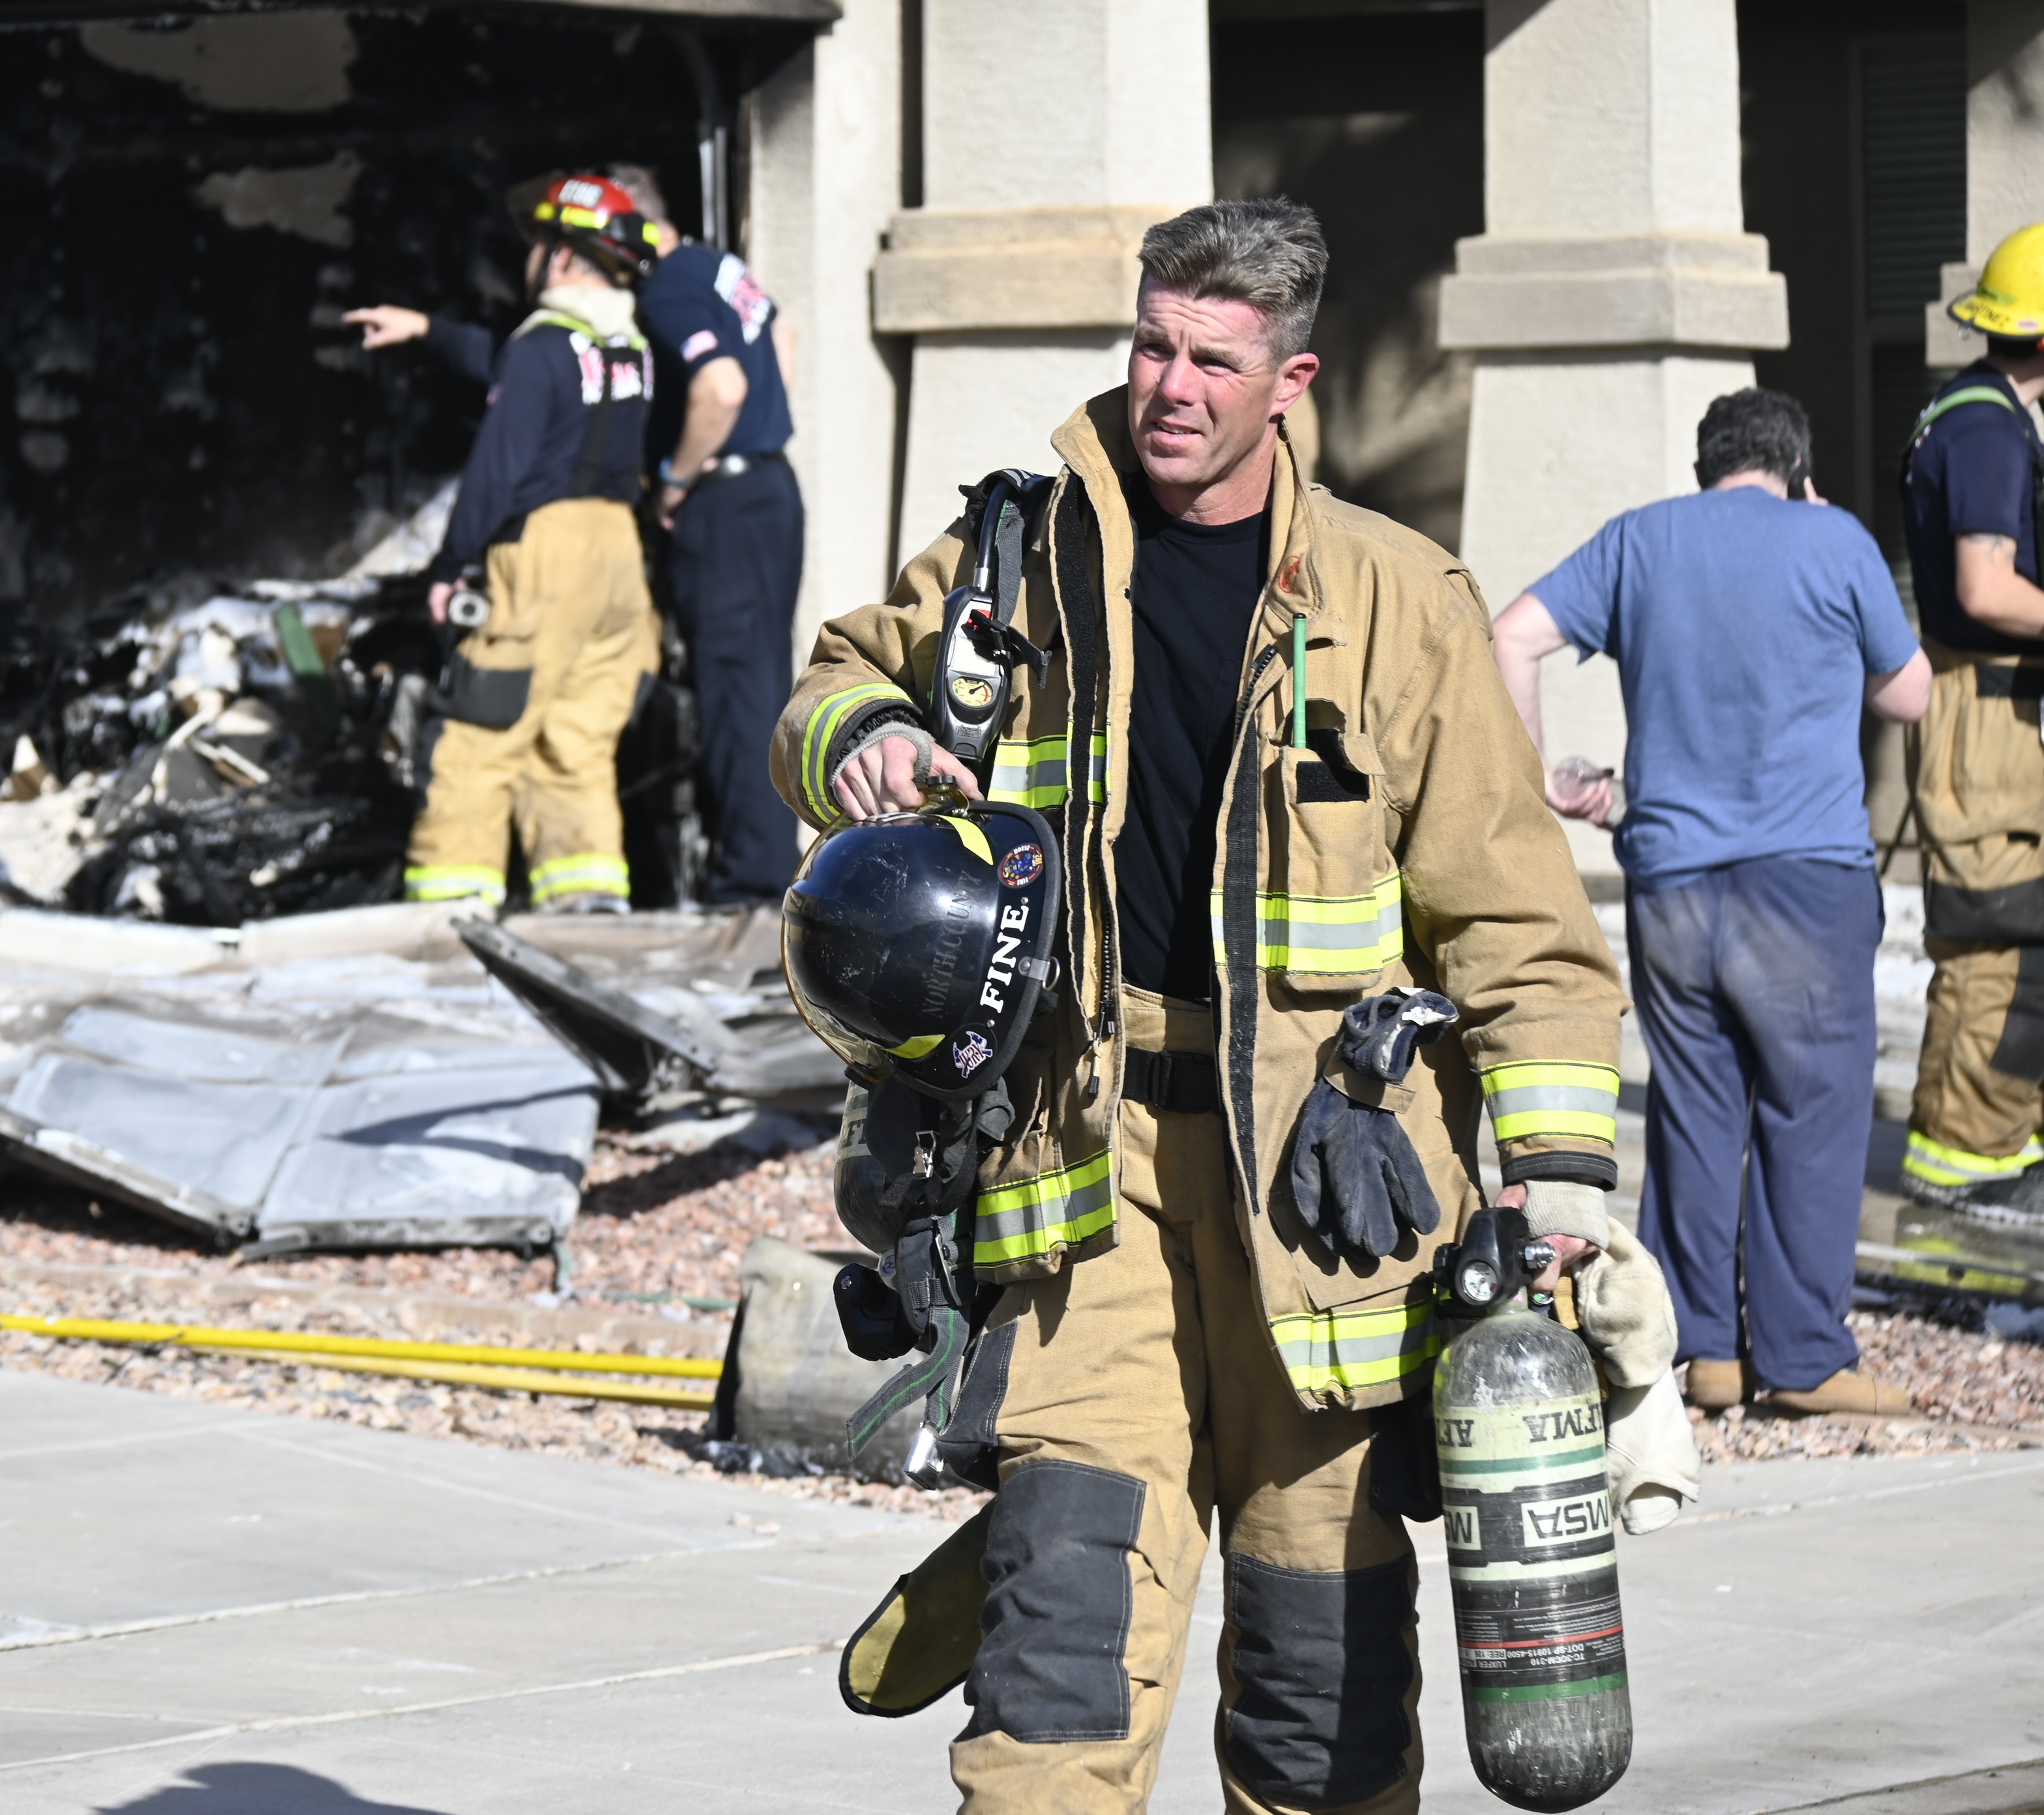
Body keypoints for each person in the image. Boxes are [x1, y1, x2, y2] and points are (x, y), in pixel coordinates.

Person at [773, 199, 1635, 1814]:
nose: (1168, 386)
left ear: (1288, 379)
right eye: (1151, 345)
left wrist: (1559, 1177)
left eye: (1210, 361)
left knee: (1321, 1689)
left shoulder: (1398, 600)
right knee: (1056, 1647)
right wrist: (868, 741)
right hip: (1081, 1174)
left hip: (1325, 1201)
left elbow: (1516, 925)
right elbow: (828, 683)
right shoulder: (1013, 559)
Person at [1492, 388, 1931, 1417]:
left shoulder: (1638, 538)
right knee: (1809, 1114)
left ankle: (1704, 1354)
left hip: (1671, 883)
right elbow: (1906, 693)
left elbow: (1512, 634)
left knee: (1693, 1114)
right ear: (1795, 466)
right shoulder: (1832, 538)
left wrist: (1540, 783)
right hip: (1804, 883)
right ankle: (1803, 1358)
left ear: (1704, 468)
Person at [390, 174, 662, 913]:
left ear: (565, 255)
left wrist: (451, 567)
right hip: (619, 557)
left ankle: (450, 909)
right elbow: (522, 365)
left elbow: (497, 468)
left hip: (546, 555)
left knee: (481, 730)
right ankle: (587, 903)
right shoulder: (630, 348)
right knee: (576, 740)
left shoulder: (542, 345)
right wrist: (428, 330)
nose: (531, 257)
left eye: (540, 243)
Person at [1896, 223, 2044, 1215]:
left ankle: (2003, 1139)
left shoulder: (1982, 415)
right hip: (1986, 715)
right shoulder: (1987, 430)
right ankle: (1964, 1161)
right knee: (1997, 934)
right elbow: (1986, 586)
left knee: (2023, 938)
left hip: (1998, 710)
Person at [615, 168, 804, 908]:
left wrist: (675, 478)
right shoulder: (715, 265)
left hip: (722, 501)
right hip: (769, 488)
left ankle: (749, 883)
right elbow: (783, 332)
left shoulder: (665, 286)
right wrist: (760, 430)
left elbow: (721, 387)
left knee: (733, 692)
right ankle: (764, 866)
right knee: (759, 682)